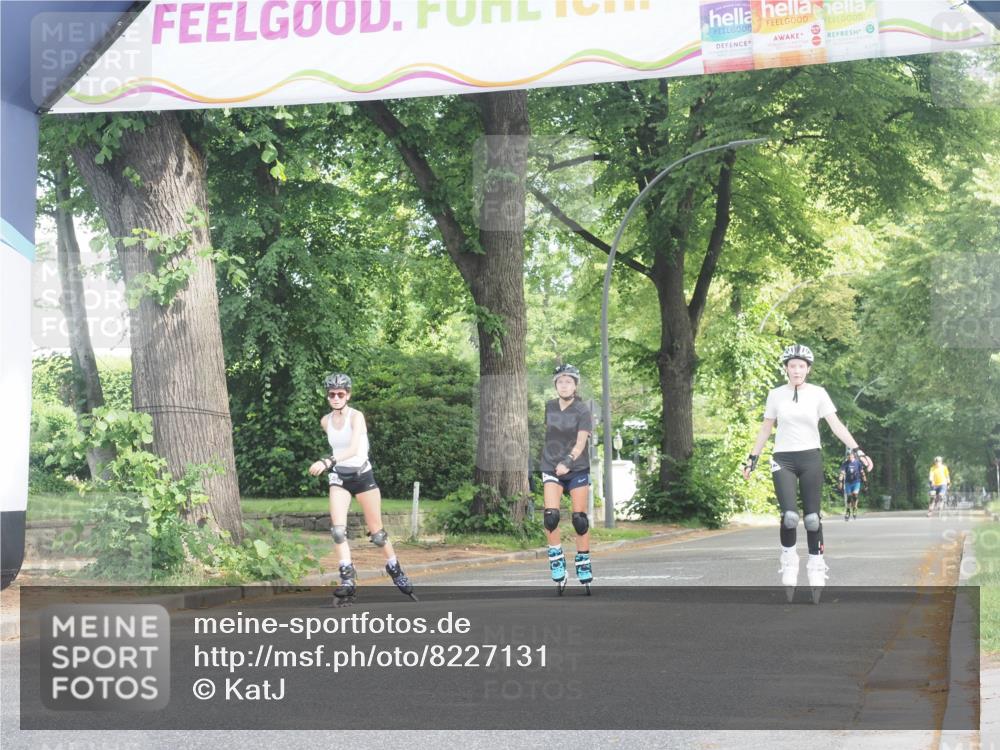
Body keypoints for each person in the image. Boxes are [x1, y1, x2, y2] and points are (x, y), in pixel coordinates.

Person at [742, 344, 874, 601]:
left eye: (801, 366)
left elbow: (836, 425)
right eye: (792, 366)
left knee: (812, 518)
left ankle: (816, 564)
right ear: (786, 369)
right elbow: (765, 429)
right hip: (783, 459)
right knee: (790, 516)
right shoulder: (775, 395)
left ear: (808, 369)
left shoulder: (818, 394)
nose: (797, 370)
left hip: (811, 457)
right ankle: (789, 559)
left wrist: (858, 450)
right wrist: (752, 458)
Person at [308, 373, 415, 605]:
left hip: (362, 475)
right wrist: (333, 465)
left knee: (377, 535)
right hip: (339, 478)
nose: (335, 398)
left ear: (348, 394)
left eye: (340, 394)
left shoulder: (357, 417)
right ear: (327, 396)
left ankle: (395, 568)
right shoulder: (325, 421)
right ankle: (347, 579)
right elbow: (338, 447)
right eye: (331, 394)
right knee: (337, 531)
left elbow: (354, 449)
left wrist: (327, 462)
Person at [540, 364, 594, 593]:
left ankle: (583, 562)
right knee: (550, 516)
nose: (564, 385)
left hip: (577, 468)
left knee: (579, 519)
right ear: (556, 385)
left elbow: (581, 442)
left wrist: (568, 462)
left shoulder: (583, 410)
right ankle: (556, 558)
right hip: (551, 467)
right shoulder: (549, 407)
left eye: (568, 382)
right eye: (560, 382)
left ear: (575, 385)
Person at [838, 447, 868, 521]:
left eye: (850, 455)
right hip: (848, 482)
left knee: (854, 495)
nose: (849, 456)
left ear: (853, 455)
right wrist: (840, 483)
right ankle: (848, 511)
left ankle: (854, 508)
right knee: (849, 497)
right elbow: (842, 474)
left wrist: (865, 483)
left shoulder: (858, 463)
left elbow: (862, 473)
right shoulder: (845, 464)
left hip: (856, 482)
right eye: (848, 455)